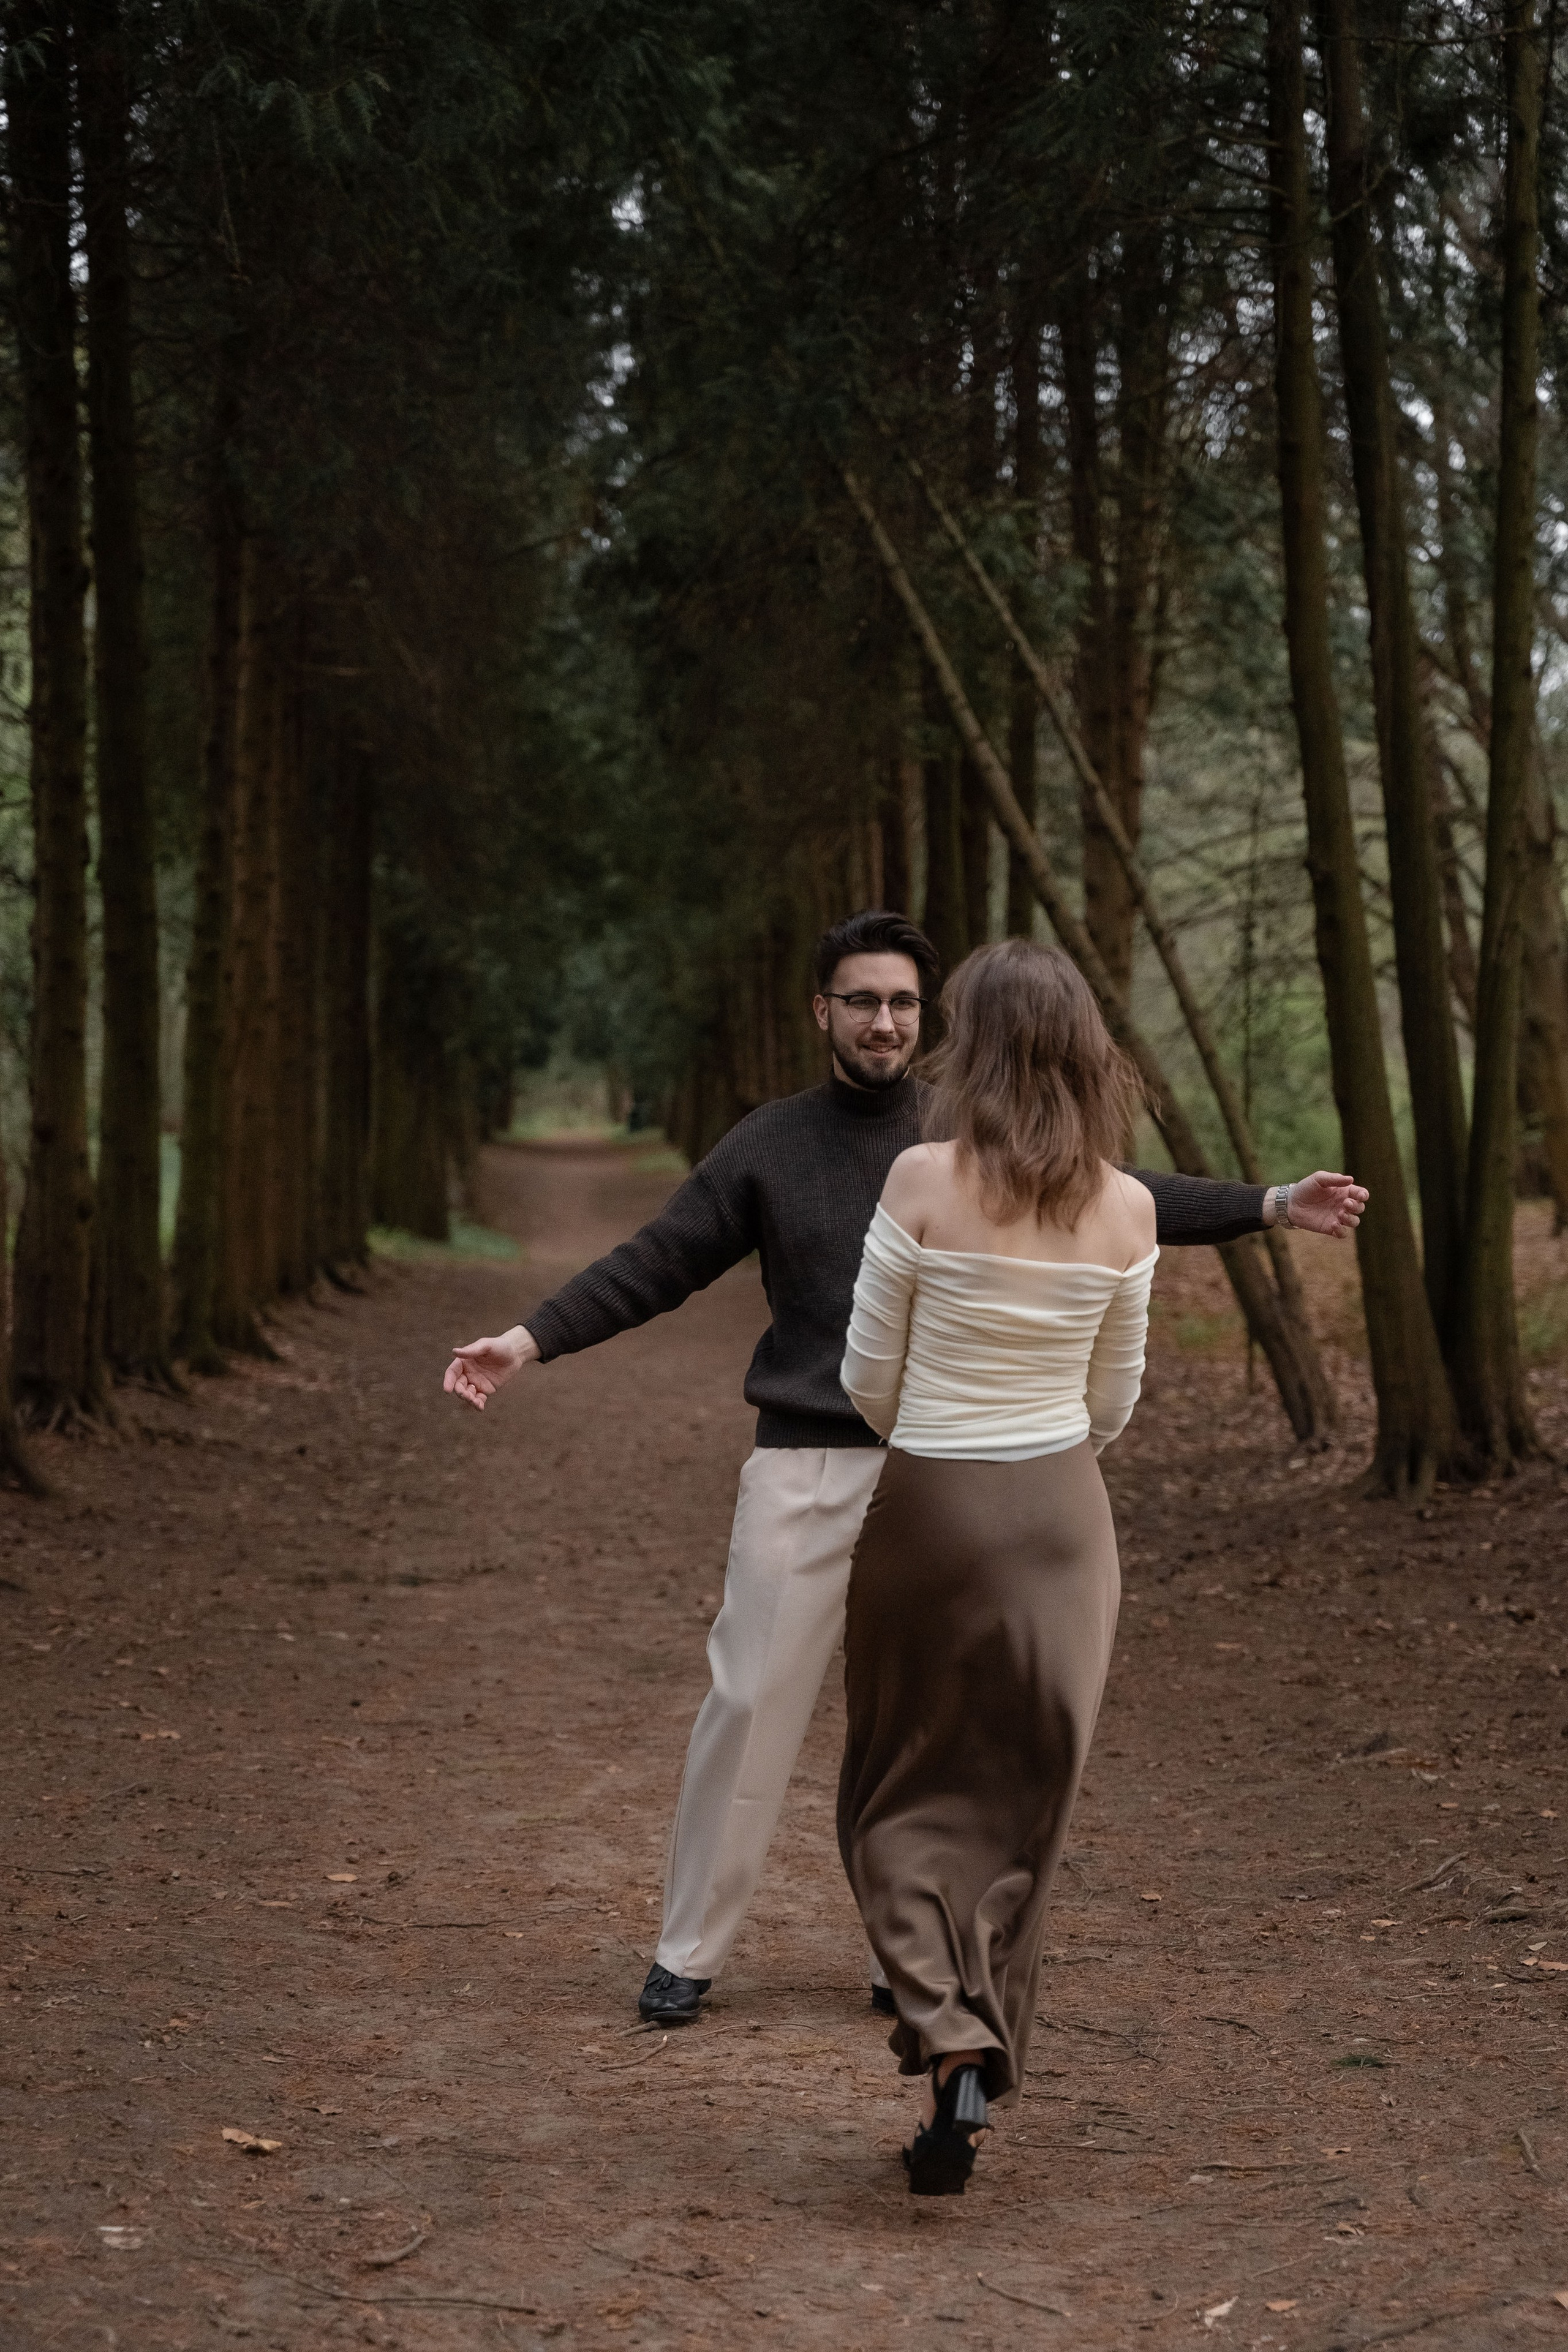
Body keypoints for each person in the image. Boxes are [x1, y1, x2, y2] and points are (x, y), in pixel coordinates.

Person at [442, 910, 1366, 2032]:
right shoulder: (770, 1144)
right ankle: (689, 1948)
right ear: (821, 1011)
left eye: (904, 1004)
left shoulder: (966, 1139)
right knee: (750, 1702)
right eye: (863, 1001)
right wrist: (528, 1340)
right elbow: (659, 1261)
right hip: (808, 1470)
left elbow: (1126, 1194)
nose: (884, 1021)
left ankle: (910, 1958)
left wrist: (1269, 1203)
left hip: (947, 1478)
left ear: (928, 1020)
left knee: (937, 1730)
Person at [837, 938, 1185, 2195]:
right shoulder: (1129, 1206)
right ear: (1085, 1050)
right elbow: (1114, 1397)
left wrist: (939, 1455)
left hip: (930, 1502)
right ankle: (983, 2043)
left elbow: (863, 1379)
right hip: (1064, 1524)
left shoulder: (919, 1180)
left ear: (968, 1048)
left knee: (895, 1783)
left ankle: (945, 2029)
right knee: (1024, 1803)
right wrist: (1044, 1466)